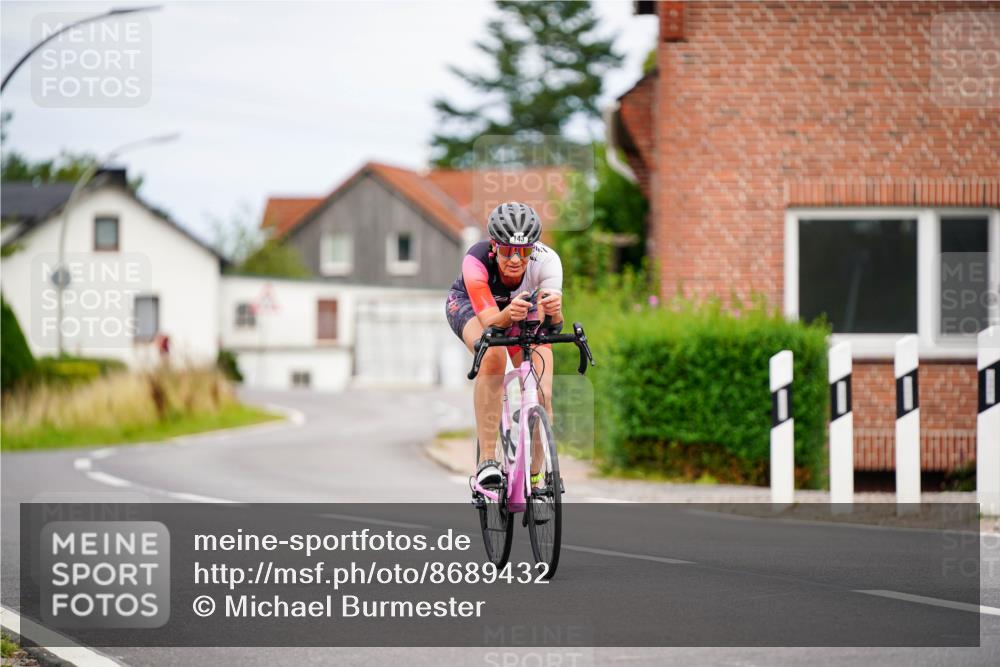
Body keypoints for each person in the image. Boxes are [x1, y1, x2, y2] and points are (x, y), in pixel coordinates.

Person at [445, 202, 563, 488]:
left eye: (523, 251)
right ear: (494, 246)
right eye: (508, 250)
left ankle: (535, 476)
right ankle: (487, 460)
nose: (515, 259)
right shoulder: (475, 260)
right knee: (493, 357)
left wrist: (556, 312)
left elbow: (551, 325)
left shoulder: (547, 262)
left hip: (522, 308)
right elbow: (490, 322)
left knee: (543, 392)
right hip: (472, 308)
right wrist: (508, 315)